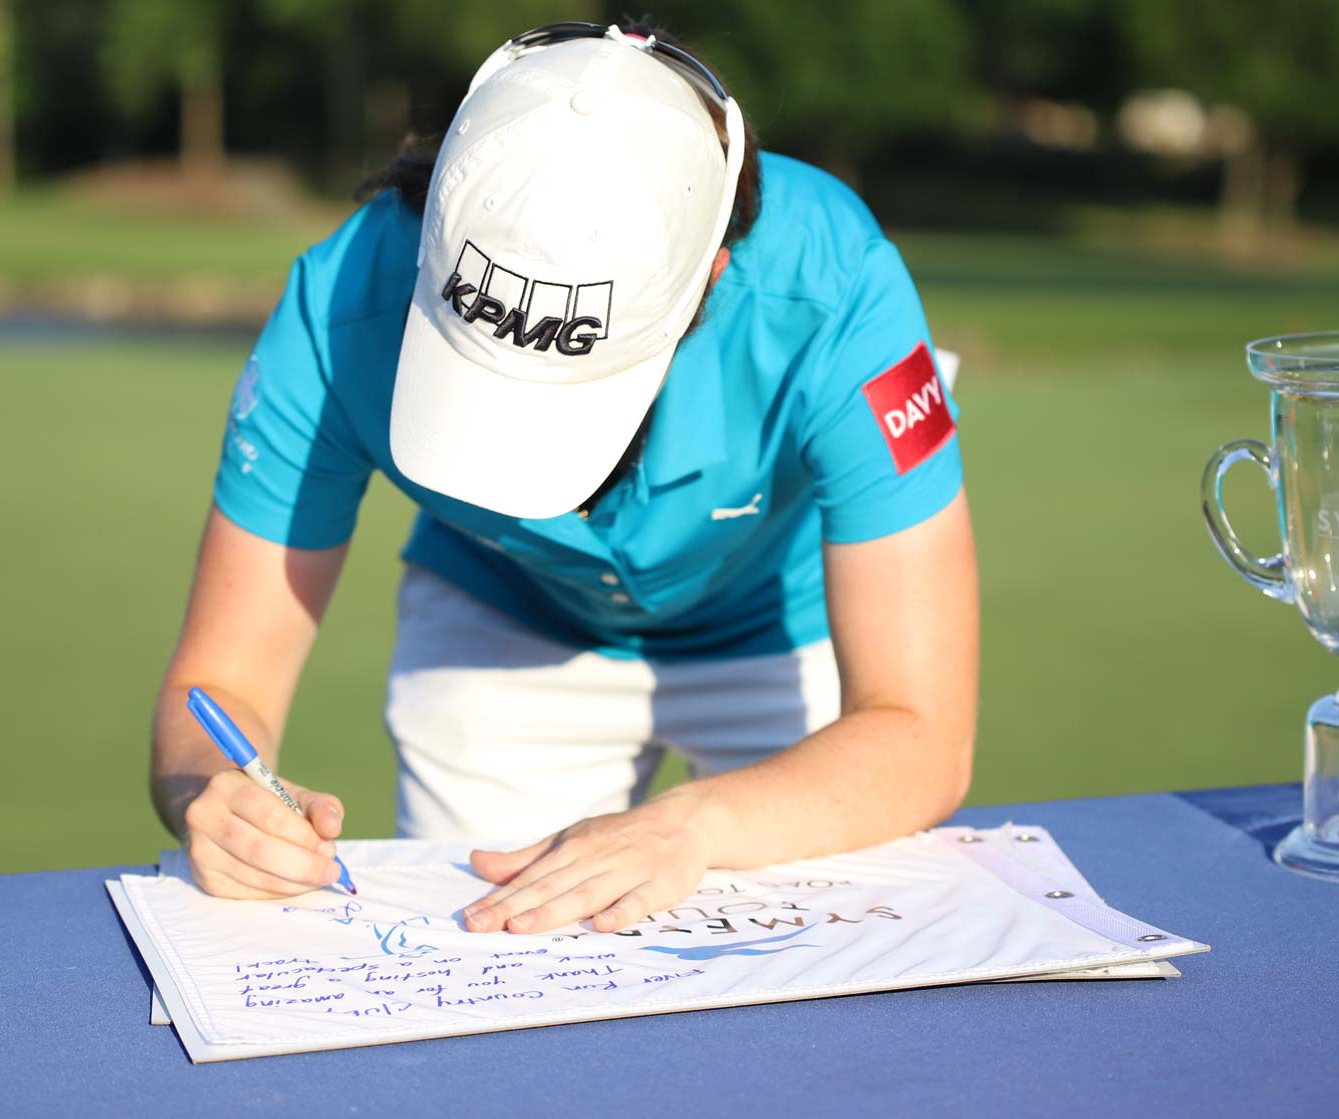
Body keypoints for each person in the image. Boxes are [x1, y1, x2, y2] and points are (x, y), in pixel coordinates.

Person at [149, 22, 978, 938]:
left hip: (775, 620)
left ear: (710, 276)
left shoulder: (837, 284)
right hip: (507, 615)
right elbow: (221, 679)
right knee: (481, 961)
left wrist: (692, 826)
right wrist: (210, 793)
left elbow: (920, 731)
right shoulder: (337, 307)